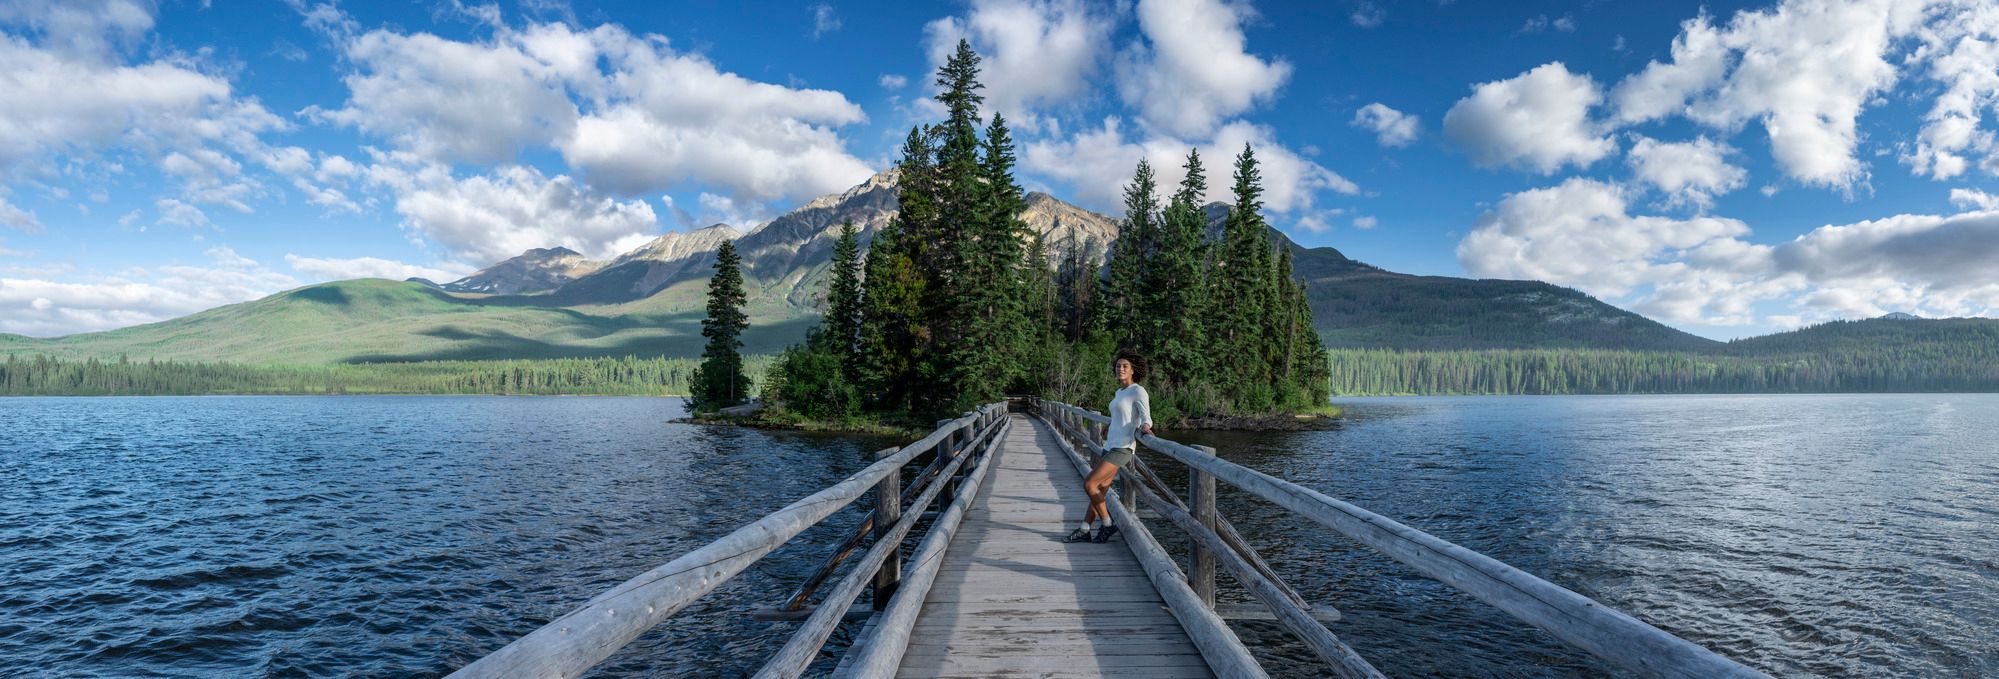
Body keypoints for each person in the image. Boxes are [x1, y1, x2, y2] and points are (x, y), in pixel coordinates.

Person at [1066, 350, 1153, 543]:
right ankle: (1085, 529)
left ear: (1132, 370)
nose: (1120, 369)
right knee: (1100, 489)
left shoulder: (1138, 390)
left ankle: (1107, 524)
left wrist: (1146, 427)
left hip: (1123, 447)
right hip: (1111, 443)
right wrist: (1109, 426)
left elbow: (1145, 416)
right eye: (1118, 366)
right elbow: (1120, 416)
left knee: (1089, 484)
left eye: (1125, 366)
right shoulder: (1120, 392)